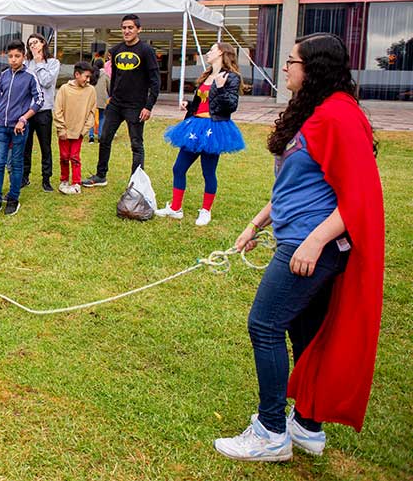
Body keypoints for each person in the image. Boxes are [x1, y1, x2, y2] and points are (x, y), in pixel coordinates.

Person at [213, 33, 384, 462]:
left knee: (264, 325)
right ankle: (307, 425)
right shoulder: (316, 113)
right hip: (298, 237)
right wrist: (255, 223)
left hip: (311, 245)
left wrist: (314, 241)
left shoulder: (340, 117)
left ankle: (271, 431)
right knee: (303, 331)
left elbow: (359, 197)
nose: (285, 67)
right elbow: (295, 186)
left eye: (291, 61)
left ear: (315, 68)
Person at [155, 43, 245, 225]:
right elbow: (202, 101)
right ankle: (175, 208)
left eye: (211, 50)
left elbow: (231, 106)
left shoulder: (231, 77)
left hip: (214, 128)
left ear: (221, 53)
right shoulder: (207, 75)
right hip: (195, 126)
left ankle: (205, 210)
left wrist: (220, 87)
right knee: (178, 168)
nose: (207, 53)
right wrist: (189, 104)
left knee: (208, 171)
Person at [82, 14, 160, 187]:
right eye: (124, 27)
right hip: (116, 104)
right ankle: (101, 175)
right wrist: (111, 97)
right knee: (104, 138)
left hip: (136, 105)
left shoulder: (146, 51)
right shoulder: (116, 51)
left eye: (130, 27)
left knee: (136, 144)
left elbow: (155, 81)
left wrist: (148, 106)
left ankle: (136, 181)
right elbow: (115, 77)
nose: (126, 31)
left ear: (139, 29)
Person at [0, 39, 44, 217]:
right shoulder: (4, 75)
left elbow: (39, 100)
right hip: (1, 127)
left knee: (17, 164)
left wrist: (24, 119)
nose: (13, 59)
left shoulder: (30, 76)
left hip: (19, 128)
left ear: (24, 57)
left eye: (17, 56)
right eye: (10, 56)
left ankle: (13, 199)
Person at [23, 33, 61, 193]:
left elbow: (46, 82)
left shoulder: (53, 63)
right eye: (30, 44)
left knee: (45, 145)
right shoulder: (26, 64)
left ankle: (46, 179)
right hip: (27, 110)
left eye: (36, 43)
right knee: (26, 145)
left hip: (44, 110)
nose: (33, 46)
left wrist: (39, 63)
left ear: (43, 43)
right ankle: (24, 176)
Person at [53, 61, 97, 195]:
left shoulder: (91, 91)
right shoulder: (64, 89)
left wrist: (84, 130)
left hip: (79, 133)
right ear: (77, 74)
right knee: (64, 157)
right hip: (64, 132)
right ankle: (64, 180)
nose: (88, 80)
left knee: (75, 157)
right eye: (86, 76)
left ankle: (76, 183)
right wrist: (61, 129)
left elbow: (91, 112)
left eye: (90, 77)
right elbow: (58, 109)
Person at [89, 59, 109, 142]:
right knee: (102, 117)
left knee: (91, 117)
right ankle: (100, 136)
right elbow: (110, 87)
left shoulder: (90, 74)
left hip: (91, 98)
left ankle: (91, 136)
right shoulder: (105, 75)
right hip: (102, 99)